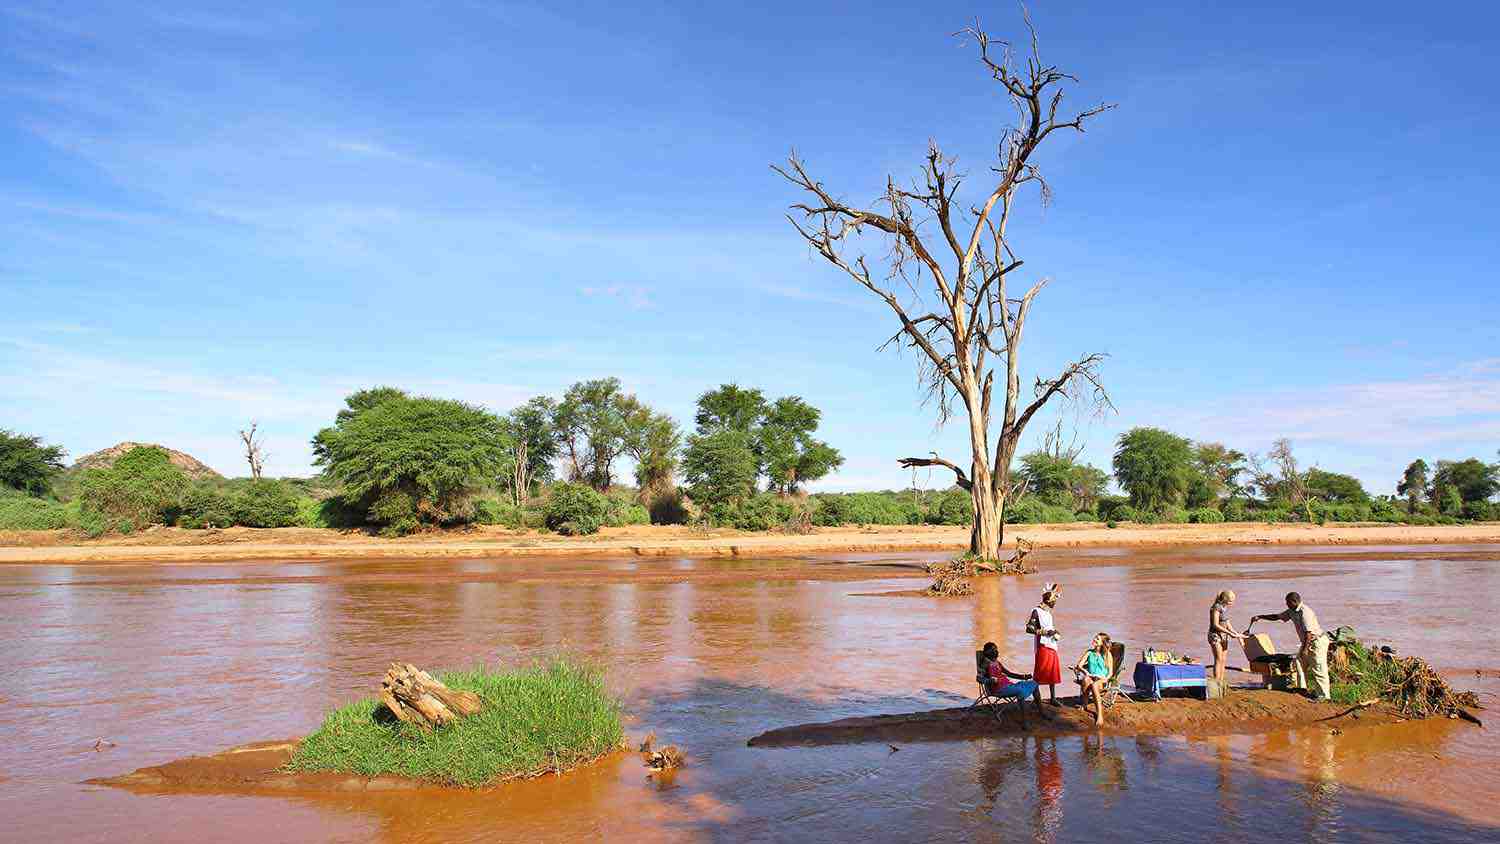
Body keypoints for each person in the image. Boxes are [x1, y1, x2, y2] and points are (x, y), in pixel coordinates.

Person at [1248, 591, 1330, 700]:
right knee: (1299, 663)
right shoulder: (1292, 611)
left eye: (1287, 602)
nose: (1286, 604)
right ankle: (1302, 689)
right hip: (1307, 641)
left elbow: (1308, 633)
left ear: (1294, 602)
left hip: (1316, 642)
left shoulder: (1305, 612)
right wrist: (1260, 617)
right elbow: (1277, 617)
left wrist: (1304, 650)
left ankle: (1324, 696)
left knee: (1318, 668)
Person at [980, 641, 1049, 727]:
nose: (996, 651)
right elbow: (979, 678)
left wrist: (1023, 677)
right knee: (1020, 692)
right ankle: (1025, 722)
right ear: (988, 653)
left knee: (1034, 684)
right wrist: (990, 680)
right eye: (993, 650)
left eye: (996, 649)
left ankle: (1041, 712)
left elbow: (1009, 673)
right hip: (998, 689)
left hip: (1008, 685)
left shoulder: (997, 662)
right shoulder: (985, 663)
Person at [1027, 584, 1063, 706]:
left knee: (1052, 670)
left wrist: (1054, 632)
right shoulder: (1036, 612)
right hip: (1042, 645)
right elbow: (1029, 628)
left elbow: (1049, 627)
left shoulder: (1048, 614)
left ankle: (1053, 698)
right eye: (1054, 602)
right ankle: (1037, 699)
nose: (1055, 604)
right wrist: (1045, 632)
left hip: (1051, 644)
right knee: (1040, 670)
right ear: (1048, 601)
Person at [1072, 632, 1113, 726]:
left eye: (1097, 639)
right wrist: (1085, 672)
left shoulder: (1107, 655)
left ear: (1102, 643)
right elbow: (1079, 665)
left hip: (1102, 680)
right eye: (1095, 637)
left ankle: (1100, 715)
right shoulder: (1089, 652)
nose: (1094, 639)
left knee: (1094, 685)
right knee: (1086, 679)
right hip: (1091, 676)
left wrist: (1104, 678)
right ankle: (1085, 704)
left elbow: (1110, 673)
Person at [1208, 590, 1246, 687]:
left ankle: (1221, 681)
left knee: (1224, 660)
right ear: (1225, 599)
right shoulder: (1216, 608)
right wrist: (1229, 633)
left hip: (1224, 636)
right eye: (1231, 601)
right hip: (1215, 635)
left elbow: (1228, 624)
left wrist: (1237, 635)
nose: (1232, 603)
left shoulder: (1225, 608)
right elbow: (1215, 624)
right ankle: (1216, 682)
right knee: (1218, 659)